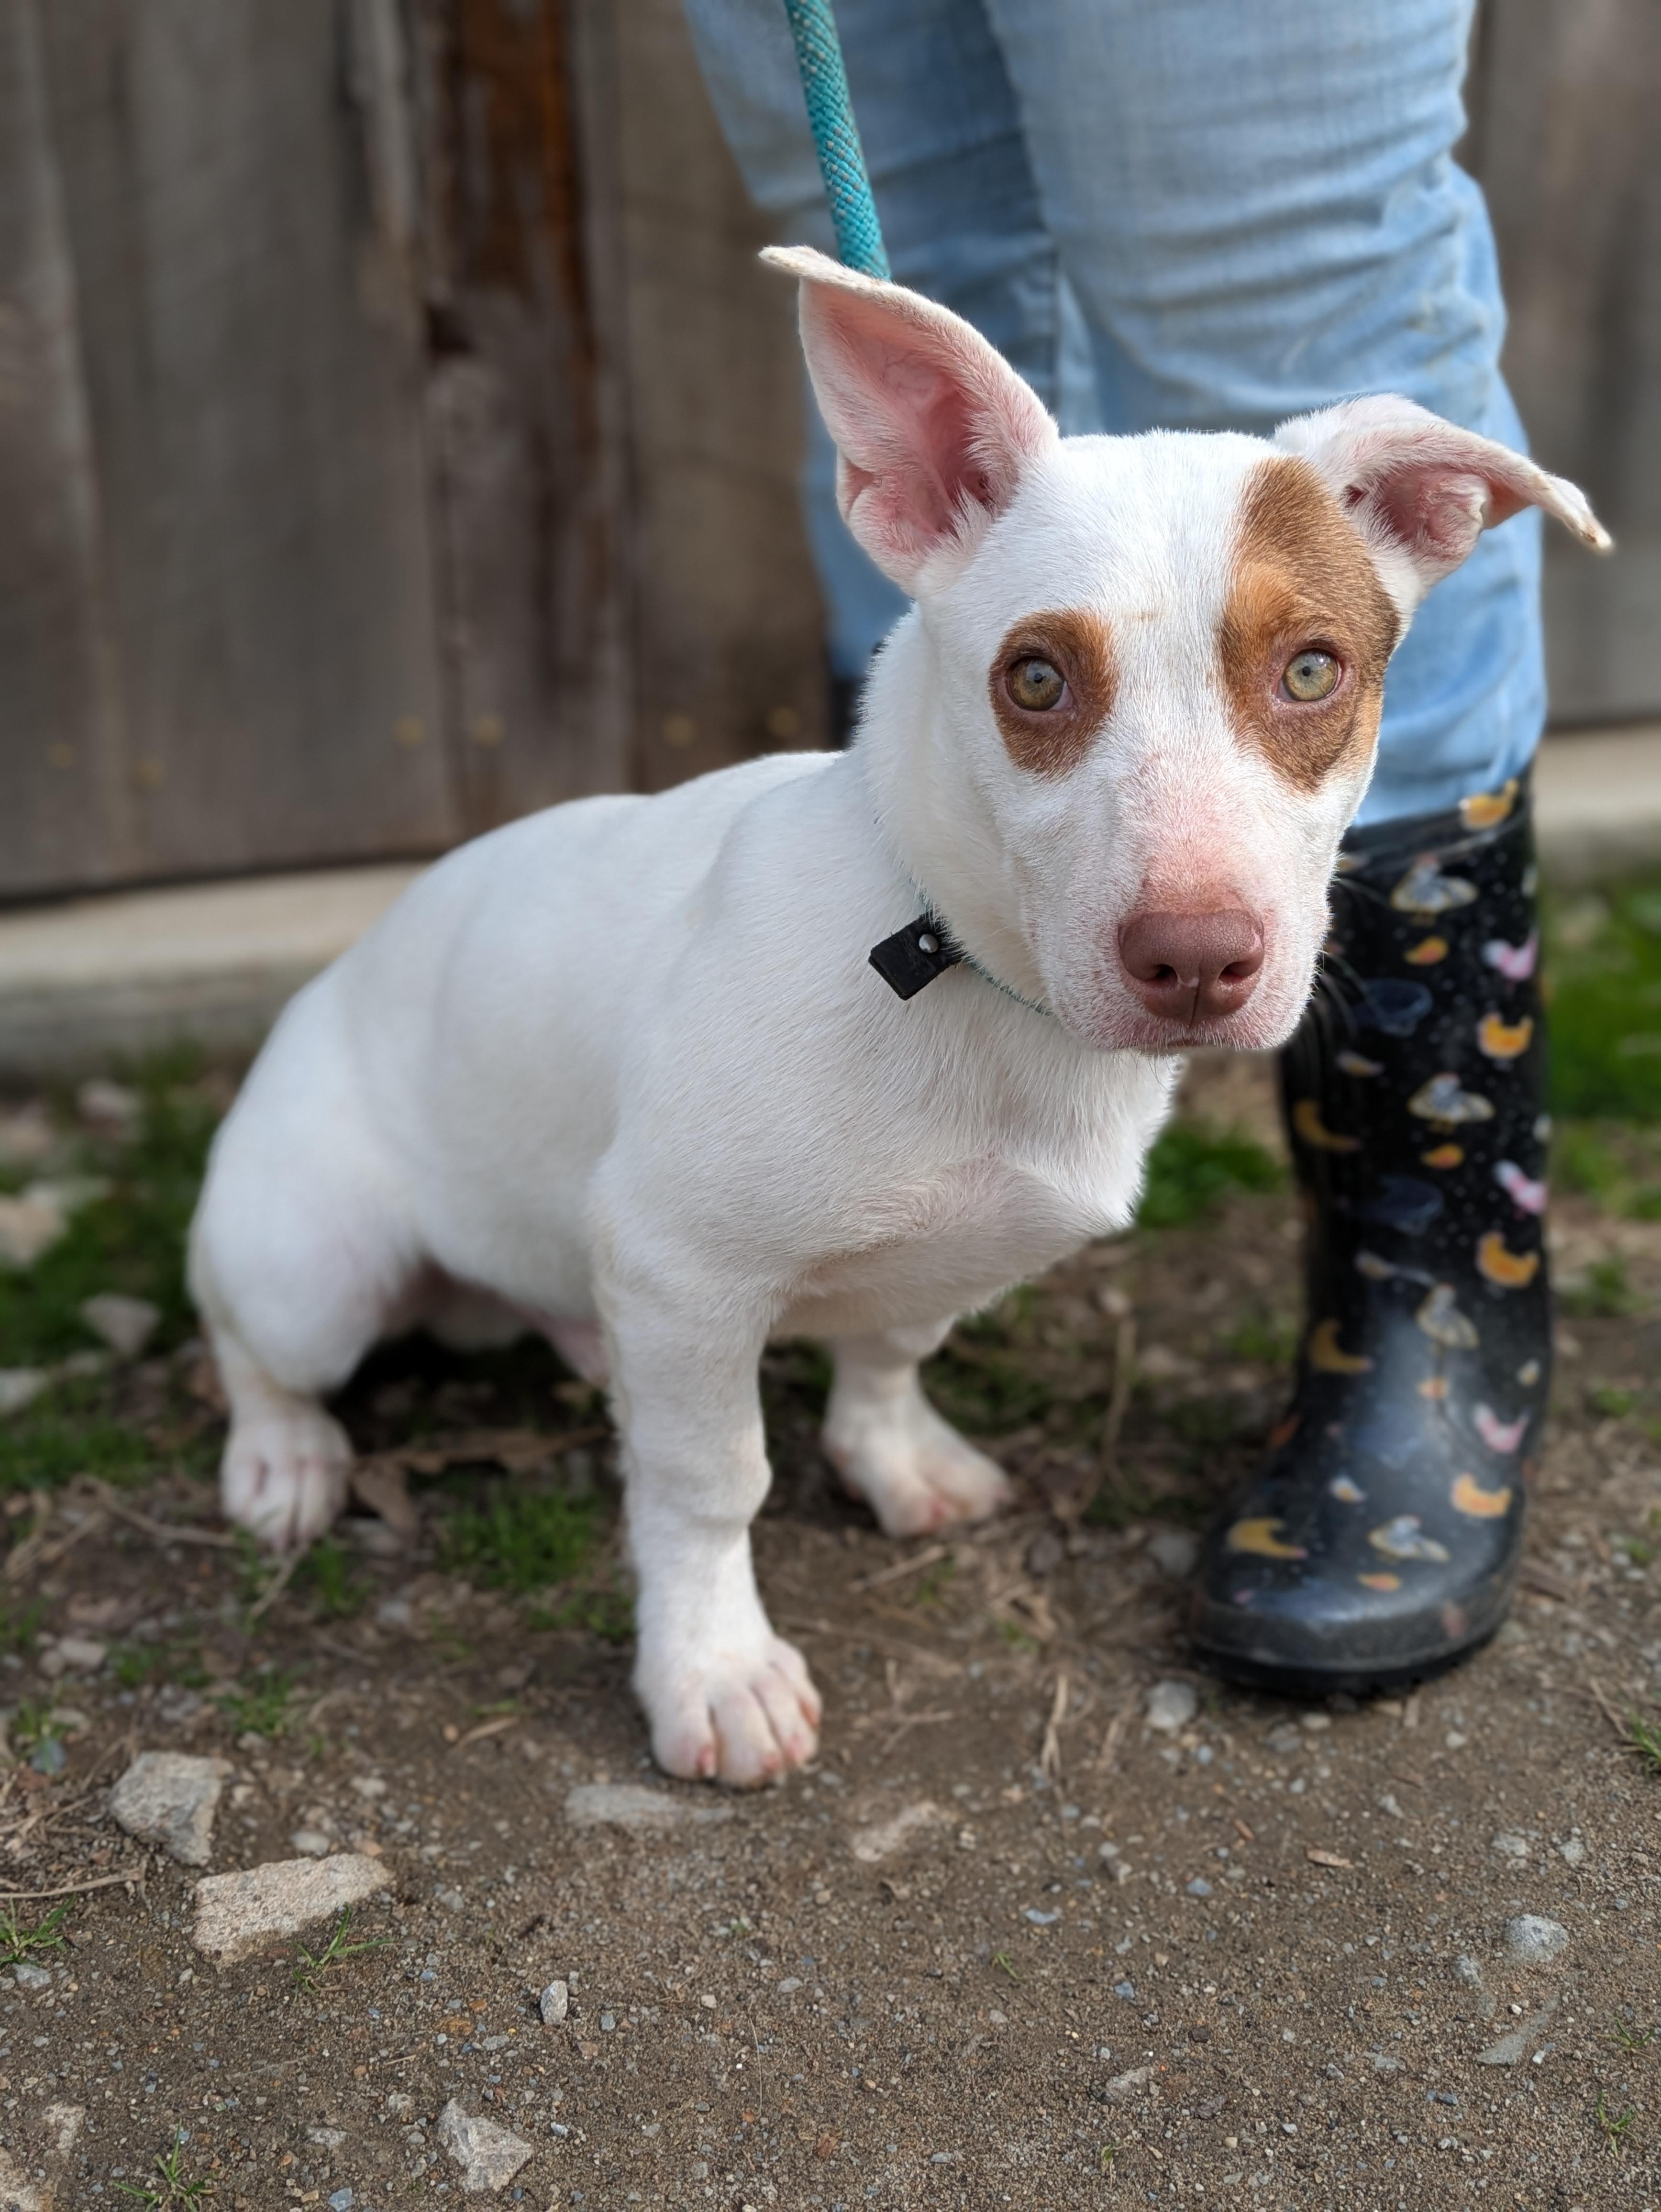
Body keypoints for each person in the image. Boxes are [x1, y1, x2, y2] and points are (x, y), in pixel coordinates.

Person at [685, 0, 1555, 1695]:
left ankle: (1425, 1281)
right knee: (900, 232)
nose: (1189, 899)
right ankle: (888, 1123)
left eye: (1309, 672)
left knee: (1274, 241)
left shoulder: (1384, 513)